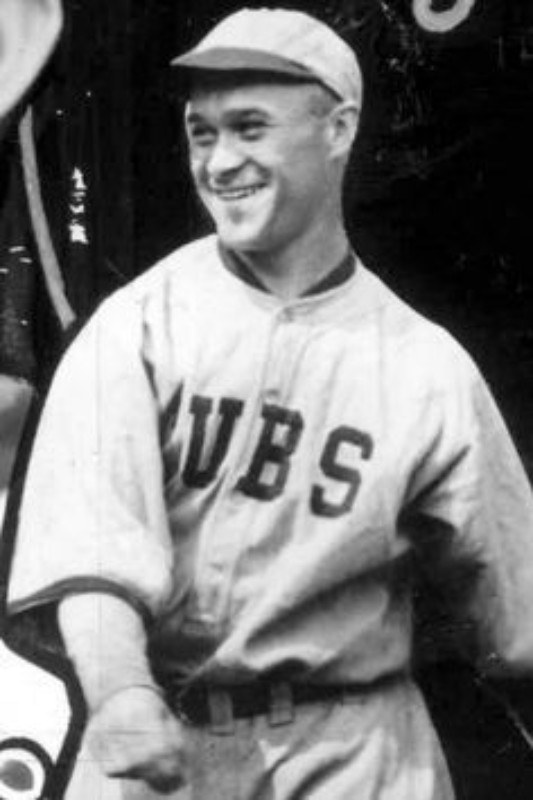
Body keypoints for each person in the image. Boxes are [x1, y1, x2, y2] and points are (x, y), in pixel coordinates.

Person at [6, 7, 533, 800]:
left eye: (249, 128)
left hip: (356, 754)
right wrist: (118, 689)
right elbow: (93, 555)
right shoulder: (138, 326)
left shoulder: (425, 369)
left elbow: (516, 620)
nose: (220, 162)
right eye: (201, 134)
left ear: (338, 128)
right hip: (160, 741)